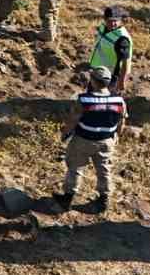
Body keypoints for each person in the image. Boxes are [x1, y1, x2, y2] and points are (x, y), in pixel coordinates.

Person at [51, 66, 125, 214]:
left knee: (75, 168)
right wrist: (116, 136)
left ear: (93, 81)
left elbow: (73, 119)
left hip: (83, 139)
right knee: (104, 169)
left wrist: (65, 133)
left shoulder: (84, 99)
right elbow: (122, 121)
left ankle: (67, 198)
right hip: (106, 140)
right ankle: (103, 200)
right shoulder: (119, 101)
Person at [87, 6, 132, 95]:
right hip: (98, 73)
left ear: (120, 20)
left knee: (106, 103)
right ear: (105, 19)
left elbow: (125, 62)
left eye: (115, 21)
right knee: (91, 97)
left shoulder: (122, 39)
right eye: (109, 21)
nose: (112, 23)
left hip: (111, 77)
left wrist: (121, 81)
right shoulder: (103, 28)